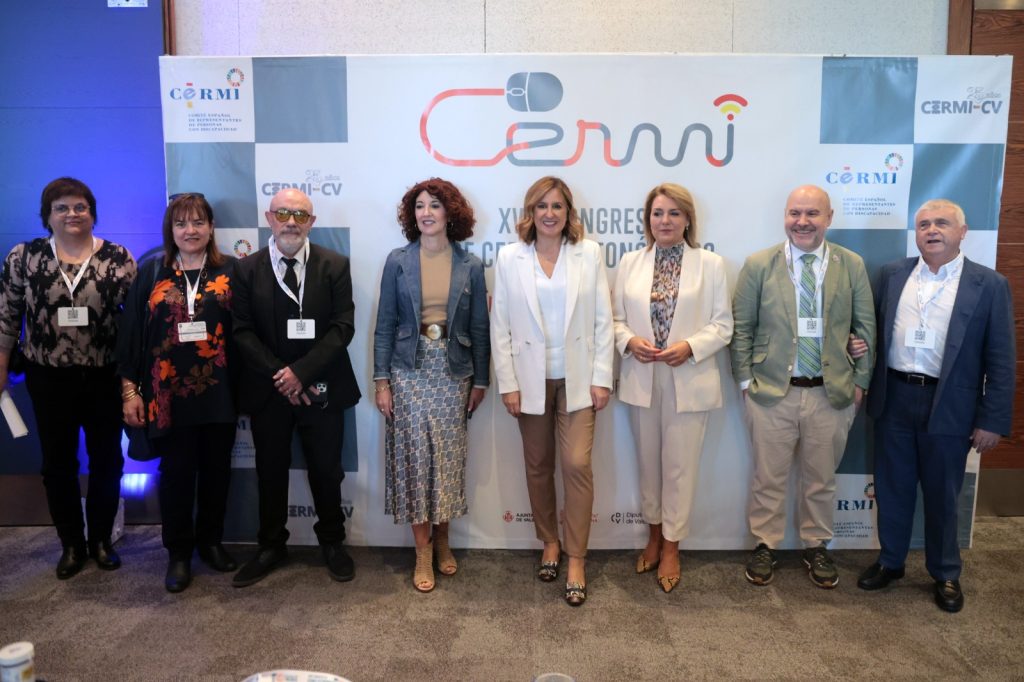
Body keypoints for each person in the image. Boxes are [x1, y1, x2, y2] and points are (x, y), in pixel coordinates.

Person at [851, 199, 1014, 613]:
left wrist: (991, 418)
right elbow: (871, 329)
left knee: (944, 492)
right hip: (894, 396)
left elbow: (1001, 358)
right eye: (923, 224)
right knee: (892, 487)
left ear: (963, 232)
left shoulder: (989, 284)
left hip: (951, 403)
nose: (932, 230)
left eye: (942, 223)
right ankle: (891, 562)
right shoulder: (892, 274)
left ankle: (945, 571)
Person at [730, 184, 874, 589]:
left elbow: (866, 328)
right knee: (767, 477)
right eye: (795, 213)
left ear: (829, 218)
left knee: (821, 478)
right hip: (772, 391)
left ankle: (816, 545)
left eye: (812, 213)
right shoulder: (759, 264)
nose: (802, 221)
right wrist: (745, 380)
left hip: (832, 394)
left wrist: (860, 382)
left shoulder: (851, 265)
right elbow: (742, 329)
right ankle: (765, 544)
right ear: (785, 216)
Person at [0, 177, 135, 579]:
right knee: (57, 463)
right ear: (48, 216)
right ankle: (72, 545)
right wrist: (2, 366)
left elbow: (132, 325)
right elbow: (7, 317)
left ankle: (100, 541)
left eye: (80, 206)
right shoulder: (25, 256)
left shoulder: (117, 258)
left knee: (108, 461)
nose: (72, 214)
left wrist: (132, 380)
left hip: (103, 377)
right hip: (48, 377)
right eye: (62, 208)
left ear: (92, 212)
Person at [491, 176, 614, 606]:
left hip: (578, 378)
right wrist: (508, 383)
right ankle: (550, 543)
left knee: (576, 463)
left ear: (568, 212)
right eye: (541, 206)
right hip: (529, 381)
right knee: (538, 465)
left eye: (557, 206)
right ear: (530, 212)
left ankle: (576, 556)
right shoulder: (510, 257)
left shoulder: (589, 253)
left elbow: (602, 318)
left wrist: (602, 377)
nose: (549, 213)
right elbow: (500, 325)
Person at [230, 188, 361, 587]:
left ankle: (333, 543)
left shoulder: (334, 265)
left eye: (300, 215)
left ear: (312, 222)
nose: (291, 221)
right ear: (269, 218)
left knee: (326, 470)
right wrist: (282, 376)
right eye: (283, 213)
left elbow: (343, 328)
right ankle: (271, 545)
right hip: (269, 391)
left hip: (322, 387)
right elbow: (241, 331)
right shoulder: (246, 269)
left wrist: (301, 374)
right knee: (270, 470)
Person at [612, 183, 733, 593]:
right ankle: (651, 536)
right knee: (649, 465)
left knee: (680, 469)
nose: (664, 221)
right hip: (642, 377)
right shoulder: (629, 263)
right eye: (658, 213)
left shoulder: (711, 265)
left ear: (688, 219)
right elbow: (613, 321)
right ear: (648, 219)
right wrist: (629, 341)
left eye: (674, 213)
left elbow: (723, 325)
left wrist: (690, 347)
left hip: (689, 378)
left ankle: (672, 547)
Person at [117, 193, 238, 593]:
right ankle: (179, 553)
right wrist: (130, 391)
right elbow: (131, 337)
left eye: (198, 222)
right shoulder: (153, 274)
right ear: (171, 229)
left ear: (211, 228)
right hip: (166, 396)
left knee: (217, 473)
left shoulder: (232, 272)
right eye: (182, 223)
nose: (191, 230)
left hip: (220, 392)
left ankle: (211, 543)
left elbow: (246, 336)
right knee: (176, 475)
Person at [373, 178, 490, 593]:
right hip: (408, 369)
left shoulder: (471, 265)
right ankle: (422, 551)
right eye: (419, 206)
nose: (426, 213)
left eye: (434, 206)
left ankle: (444, 540)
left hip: (453, 370)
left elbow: (479, 327)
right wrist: (381, 380)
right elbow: (385, 324)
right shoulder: (397, 260)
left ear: (449, 213)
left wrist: (481, 379)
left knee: (446, 459)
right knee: (414, 461)